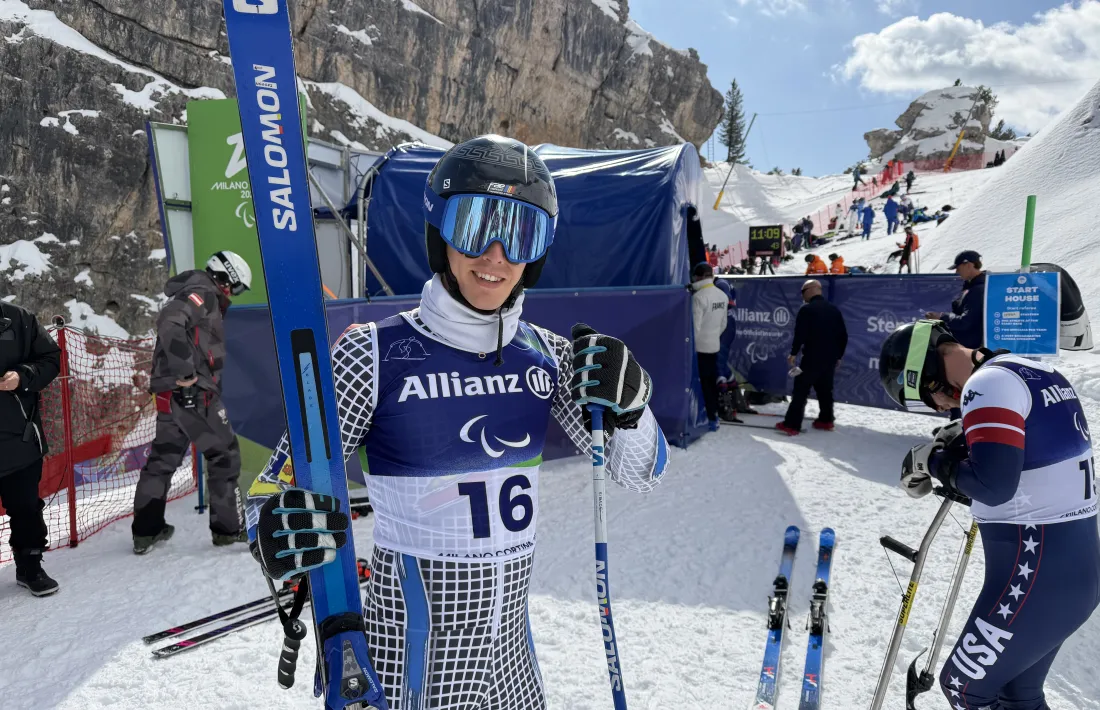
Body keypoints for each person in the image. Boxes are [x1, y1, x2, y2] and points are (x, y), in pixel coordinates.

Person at [247, 135, 670, 709]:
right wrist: (271, 530)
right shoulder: (370, 353)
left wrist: (633, 405)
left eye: (520, 233)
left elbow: (639, 472)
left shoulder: (548, 356)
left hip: (513, 669)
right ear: (440, 233)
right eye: (475, 226)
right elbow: (271, 489)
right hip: (411, 669)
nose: (496, 255)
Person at [878, 320, 1098, 710]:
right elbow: (1030, 454)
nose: (944, 408)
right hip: (1070, 564)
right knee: (1017, 693)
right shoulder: (1026, 369)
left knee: (965, 686)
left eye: (932, 401)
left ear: (926, 375)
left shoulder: (986, 385)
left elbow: (995, 485)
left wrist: (935, 461)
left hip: (1036, 564)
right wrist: (964, 447)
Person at [132, 250, 253, 554]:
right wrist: (187, 373)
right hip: (193, 392)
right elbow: (170, 322)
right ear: (225, 277)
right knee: (224, 454)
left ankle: (147, 531)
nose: (232, 295)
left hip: (169, 393)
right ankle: (228, 529)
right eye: (234, 287)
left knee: (163, 459)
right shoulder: (203, 293)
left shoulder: (194, 291)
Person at [0, 302, 61, 596]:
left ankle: (30, 566)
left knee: (26, 509)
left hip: (19, 439)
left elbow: (50, 358)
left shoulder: (19, 319)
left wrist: (21, 376)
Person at [777, 280, 847, 435]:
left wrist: (793, 353)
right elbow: (843, 335)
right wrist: (839, 356)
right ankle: (826, 420)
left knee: (800, 390)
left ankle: (792, 424)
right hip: (829, 358)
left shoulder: (807, 309)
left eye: (803, 292)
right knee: (825, 390)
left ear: (810, 290)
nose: (802, 296)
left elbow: (800, 334)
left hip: (812, 357)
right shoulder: (834, 310)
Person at [692, 262, 729, 431]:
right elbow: (723, 324)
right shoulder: (722, 295)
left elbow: (694, 327)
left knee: (701, 383)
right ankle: (714, 415)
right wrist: (713, 337)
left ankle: (706, 416)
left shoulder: (699, 297)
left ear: (698, 277)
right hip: (714, 345)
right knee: (711, 382)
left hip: (698, 349)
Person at [926, 250, 985, 348]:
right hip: (969, 346)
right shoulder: (972, 286)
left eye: (958, 268)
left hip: (971, 350)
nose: (957, 271)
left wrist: (941, 317)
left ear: (968, 265)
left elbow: (966, 322)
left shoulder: (977, 289)